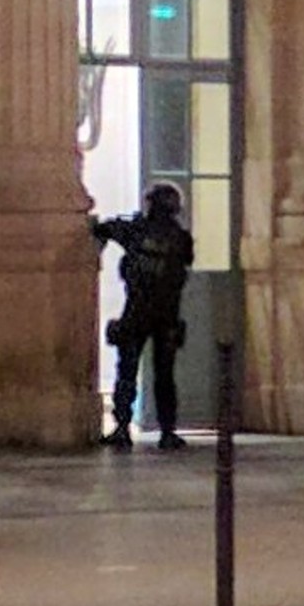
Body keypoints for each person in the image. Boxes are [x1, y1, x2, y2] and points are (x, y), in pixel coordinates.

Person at [93, 181, 194, 450]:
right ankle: (168, 431)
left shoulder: (136, 230)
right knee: (164, 375)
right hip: (167, 315)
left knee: (126, 371)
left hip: (137, 311)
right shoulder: (181, 238)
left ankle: (122, 427)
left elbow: (103, 229)